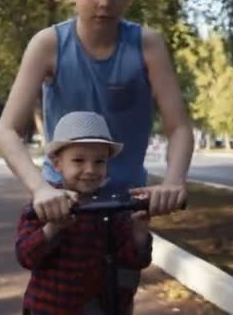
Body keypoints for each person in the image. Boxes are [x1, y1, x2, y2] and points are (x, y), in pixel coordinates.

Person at [0, 0, 193, 224]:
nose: (105, 1)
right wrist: (40, 188)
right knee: (55, 260)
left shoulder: (147, 45)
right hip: (63, 202)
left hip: (126, 204)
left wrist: (173, 182)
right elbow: (6, 130)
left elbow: (179, 127)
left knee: (127, 262)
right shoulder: (48, 44)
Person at [16, 111, 153, 314]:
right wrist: (53, 227)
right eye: (79, 161)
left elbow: (134, 261)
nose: (90, 169)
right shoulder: (45, 203)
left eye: (99, 162)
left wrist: (139, 233)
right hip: (49, 308)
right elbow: (25, 256)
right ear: (58, 163)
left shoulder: (113, 206)